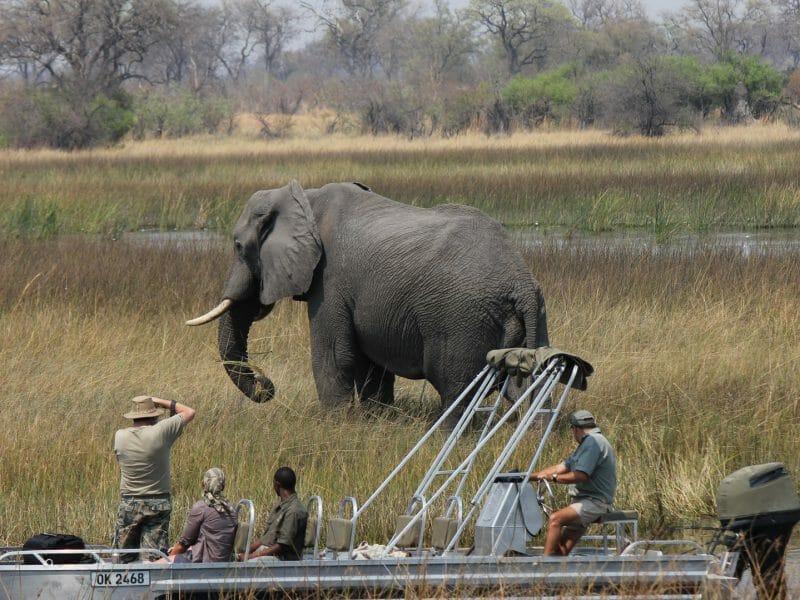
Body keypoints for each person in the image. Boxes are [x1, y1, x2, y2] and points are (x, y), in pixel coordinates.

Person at [112, 395, 196, 562]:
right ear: (154, 415)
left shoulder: (120, 436)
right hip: (158, 502)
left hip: (130, 502)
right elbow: (189, 412)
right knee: (154, 558)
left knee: (122, 557)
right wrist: (160, 401)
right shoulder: (161, 432)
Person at [529, 410, 617, 556]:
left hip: (594, 502)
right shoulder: (587, 444)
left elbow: (581, 476)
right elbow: (562, 467)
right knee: (560, 552)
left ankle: (542, 567)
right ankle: (556, 570)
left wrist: (554, 478)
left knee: (555, 519)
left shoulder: (592, 443)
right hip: (583, 501)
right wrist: (528, 477)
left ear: (575, 428)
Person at [154, 467, 238, 564]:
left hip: (202, 562)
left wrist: (170, 556)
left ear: (203, 483)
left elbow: (183, 544)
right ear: (223, 486)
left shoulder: (201, 507)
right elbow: (215, 542)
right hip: (223, 561)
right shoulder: (232, 510)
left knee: (154, 563)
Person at [238, 466, 308, 561]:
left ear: (277, 485)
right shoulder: (280, 506)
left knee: (249, 564)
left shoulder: (293, 511)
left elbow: (281, 546)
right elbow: (267, 538)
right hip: (270, 551)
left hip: (283, 558)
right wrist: (246, 551)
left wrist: (250, 557)